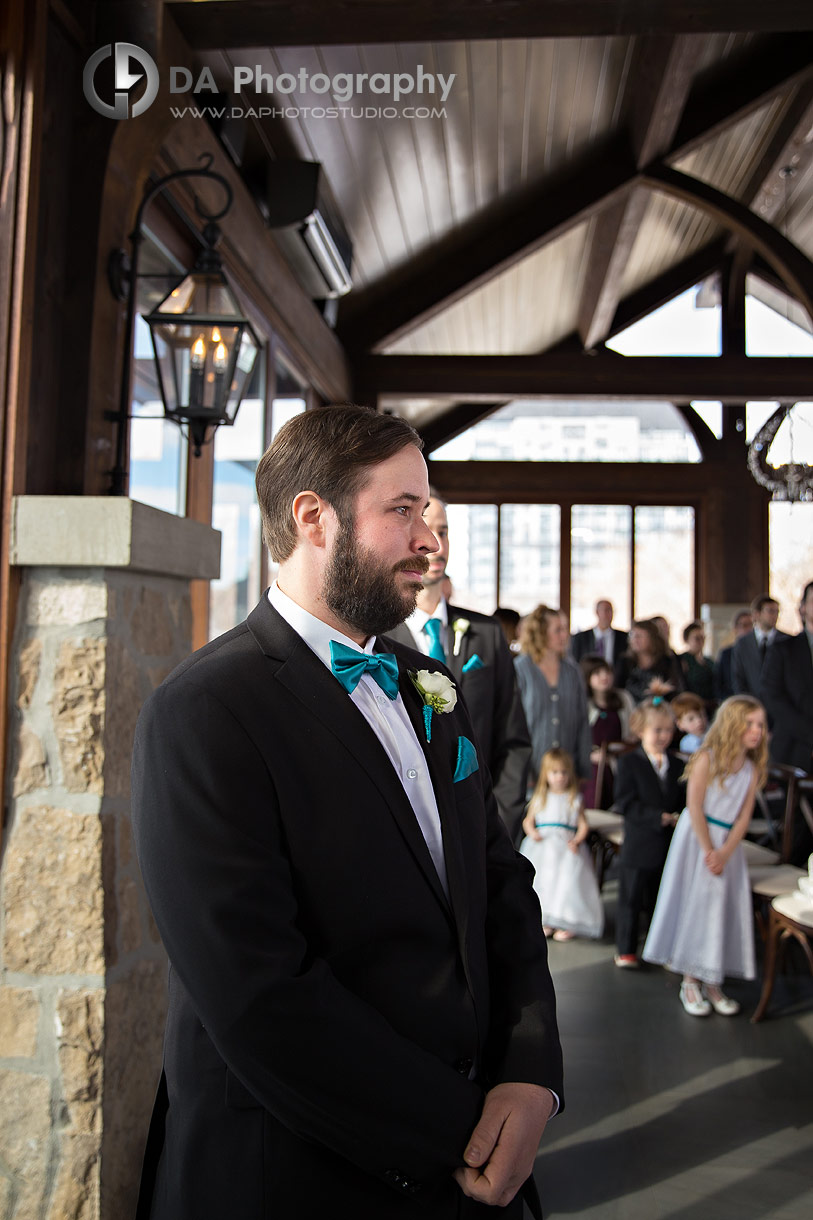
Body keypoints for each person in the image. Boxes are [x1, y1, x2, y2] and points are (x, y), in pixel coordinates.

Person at [131, 405, 563, 1220]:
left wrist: (531, 1070)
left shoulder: (428, 684)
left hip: (476, 1160)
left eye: (426, 511)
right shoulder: (204, 711)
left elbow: (500, 882)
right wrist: (464, 1130)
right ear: (312, 518)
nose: (429, 539)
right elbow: (260, 996)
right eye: (402, 510)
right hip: (299, 1178)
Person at [385, 494, 532, 840]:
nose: (436, 543)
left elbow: (512, 739)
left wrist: (500, 823)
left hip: (481, 828)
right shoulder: (377, 638)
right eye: (427, 528)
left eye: (445, 531)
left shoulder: (487, 633)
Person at [643, 696, 767, 1017]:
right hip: (698, 839)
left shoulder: (751, 769)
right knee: (696, 904)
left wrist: (725, 852)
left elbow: (743, 817)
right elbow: (694, 806)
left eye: (760, 725)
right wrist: (709, 850)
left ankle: (713, 980)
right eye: (750, 723)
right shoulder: (706, 759)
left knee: (721, 909)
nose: (757, 730)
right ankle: (689, 979)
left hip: (728, 847)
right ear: (732, 725)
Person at [612, 698, 684, 968]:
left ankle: (659, 947)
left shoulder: (677, 765)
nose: (664, 736)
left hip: (667, 844)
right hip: (639, 842)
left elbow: (682, 798)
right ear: (640, 730)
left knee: (660, 898)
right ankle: (626, 949)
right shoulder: (629, 762)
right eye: (657, 730)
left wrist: (677, 816)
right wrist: (657, 817)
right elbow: (625, 802)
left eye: (668, 730)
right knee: (630, 898)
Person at [519, 749, 604, 942]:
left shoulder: (574, 798)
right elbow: (528, 821)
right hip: (543, 848)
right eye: (554, 772)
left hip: (566, 848)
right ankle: (545, 920)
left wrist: (577, 840)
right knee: (544, 882)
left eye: (564, 773)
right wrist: (532, 833)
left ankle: (566, 921)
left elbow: (583, 824)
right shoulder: (539, 797)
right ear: (546, 774)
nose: (559, 777)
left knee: (566, 883)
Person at [514, 604, 592, 786]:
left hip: (567, 775)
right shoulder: (520, 669)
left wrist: (582, 768)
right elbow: (513, 724)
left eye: (565, 629)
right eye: (558, 630)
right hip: (531, 776)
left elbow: (582, 721)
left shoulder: (572, 670)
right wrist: (522, 771)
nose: (565, 635)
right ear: (540, 632)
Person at [760, 580, 813, 773]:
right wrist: (809, 733)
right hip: (793, 746)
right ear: (803, 609)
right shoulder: (784, 649)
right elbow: (771, 695)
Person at [580, 656, 635, 808]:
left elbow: (633, 728)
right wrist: (588, 755)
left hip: (619, 762)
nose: (604, 677)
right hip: (594, 766)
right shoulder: (583, 703)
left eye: (607, 672)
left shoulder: (624, 698)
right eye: (597, 673)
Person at [731, 594, 789, 697]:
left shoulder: (787, 640)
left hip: (781, 703)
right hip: (752, 702)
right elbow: (738, 677)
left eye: (777, 612)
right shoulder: (742, 643)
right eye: (770, 611)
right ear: (756, 614)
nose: (775, 615)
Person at [613, 619, 683, 705]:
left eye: (639, 636)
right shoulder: (625, 661)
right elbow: (617, 689)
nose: (635, 640)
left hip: (659, 710)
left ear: (651, 638)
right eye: (632, 635)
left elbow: (674, 688)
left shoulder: (666, 661)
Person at [569, 599, 628, 667]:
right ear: (597, 612)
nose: (607, 614)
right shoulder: (580, 638)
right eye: (605, 610)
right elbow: (575, 662)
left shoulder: (624, 637)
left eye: (610, 611)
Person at [713, 609, 753, 702]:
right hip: (732, 702)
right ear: (735, 628)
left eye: (751, 625)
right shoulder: (726, 654)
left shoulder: (760, 653)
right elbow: (718, 684)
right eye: (744, 625)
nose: (748, 629)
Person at [679, 621, 715, 706]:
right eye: (697, 638)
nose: (701, 641)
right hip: (691, 703)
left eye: (703, 638)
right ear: (686, 639)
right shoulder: (682, 660)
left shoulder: (709, 661)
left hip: (710, 704)